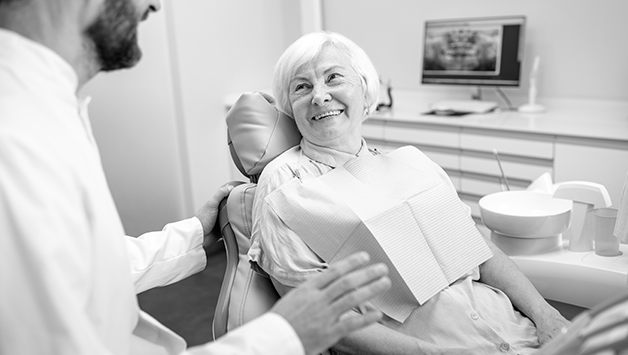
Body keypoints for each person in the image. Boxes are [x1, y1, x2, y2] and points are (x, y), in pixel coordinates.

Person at [0, 1, 393, 354]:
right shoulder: (18, 138)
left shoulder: (47, 110)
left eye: (335, 78)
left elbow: (78, 266)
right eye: (303, 86)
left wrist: (190, 236)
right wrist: (283, 335)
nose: (154, 4)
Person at [249, 31, 572, 355]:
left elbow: (480, 251)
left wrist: (547, 316)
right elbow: (319, 315)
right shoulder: (286, 184)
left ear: (364, 88)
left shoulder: (412, 162)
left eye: (333, 78)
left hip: (515, 332)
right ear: (290, 105)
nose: (319, 96)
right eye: (302, 87)